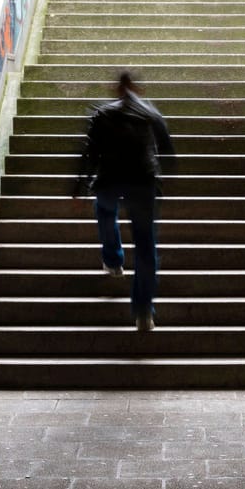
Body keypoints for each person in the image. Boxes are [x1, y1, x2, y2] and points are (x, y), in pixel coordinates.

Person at [72, 72, 175, 331]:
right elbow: (167, 149)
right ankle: (143, 312)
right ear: (137, 88)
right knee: (145, 245)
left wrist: (80, 186)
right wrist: (164, 178)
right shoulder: (150, 112)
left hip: (110, 179)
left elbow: (89, 152)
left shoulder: (102, 113)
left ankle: (114, 260)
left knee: (105, 208)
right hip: (143, 180)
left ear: (116, 89)